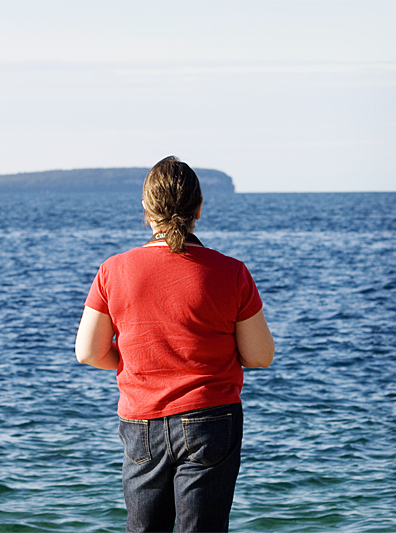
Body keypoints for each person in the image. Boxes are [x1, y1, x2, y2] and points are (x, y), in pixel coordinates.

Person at [75, 156, 274, 533]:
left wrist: (134, 363)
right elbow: (260, 356)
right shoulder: (231, 272)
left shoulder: (112, 270)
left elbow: (88, 352)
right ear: (199, 209)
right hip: (211, 418)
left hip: (141, 421)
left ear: (147, 212)